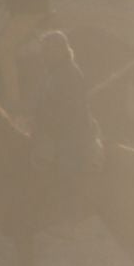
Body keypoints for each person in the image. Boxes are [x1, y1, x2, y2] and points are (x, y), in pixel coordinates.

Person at [26, 31, 103, 211]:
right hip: (53, 128)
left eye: (49, 50)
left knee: (64, 166)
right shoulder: (53, 73)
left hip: (73, 132)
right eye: (43, 50)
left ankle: (67, 206)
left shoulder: (69, 74)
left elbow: (70, 112)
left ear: (62, 50)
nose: (44, 54)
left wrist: (44, 124)